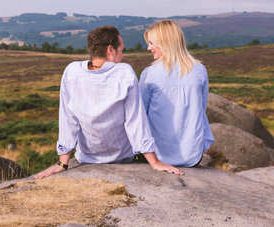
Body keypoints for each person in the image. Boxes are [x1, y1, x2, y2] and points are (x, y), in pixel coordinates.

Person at [35, 25, 183, 179]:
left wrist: (62, 163)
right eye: (121, 50)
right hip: (122, 157)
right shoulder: (124, 73)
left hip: (86, 158)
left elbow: (68, 119)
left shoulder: (71, 72)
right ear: (111, 50)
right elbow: (135, 121)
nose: (123, 56)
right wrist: (155, 162)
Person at [139, 19, 214, 167]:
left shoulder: (150, 74)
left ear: (165, 42)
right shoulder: (200, 71)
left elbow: (141, 114)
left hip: (156, 156)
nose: (148, 48)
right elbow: (201, 110)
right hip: (192, 156)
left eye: (152, 43)